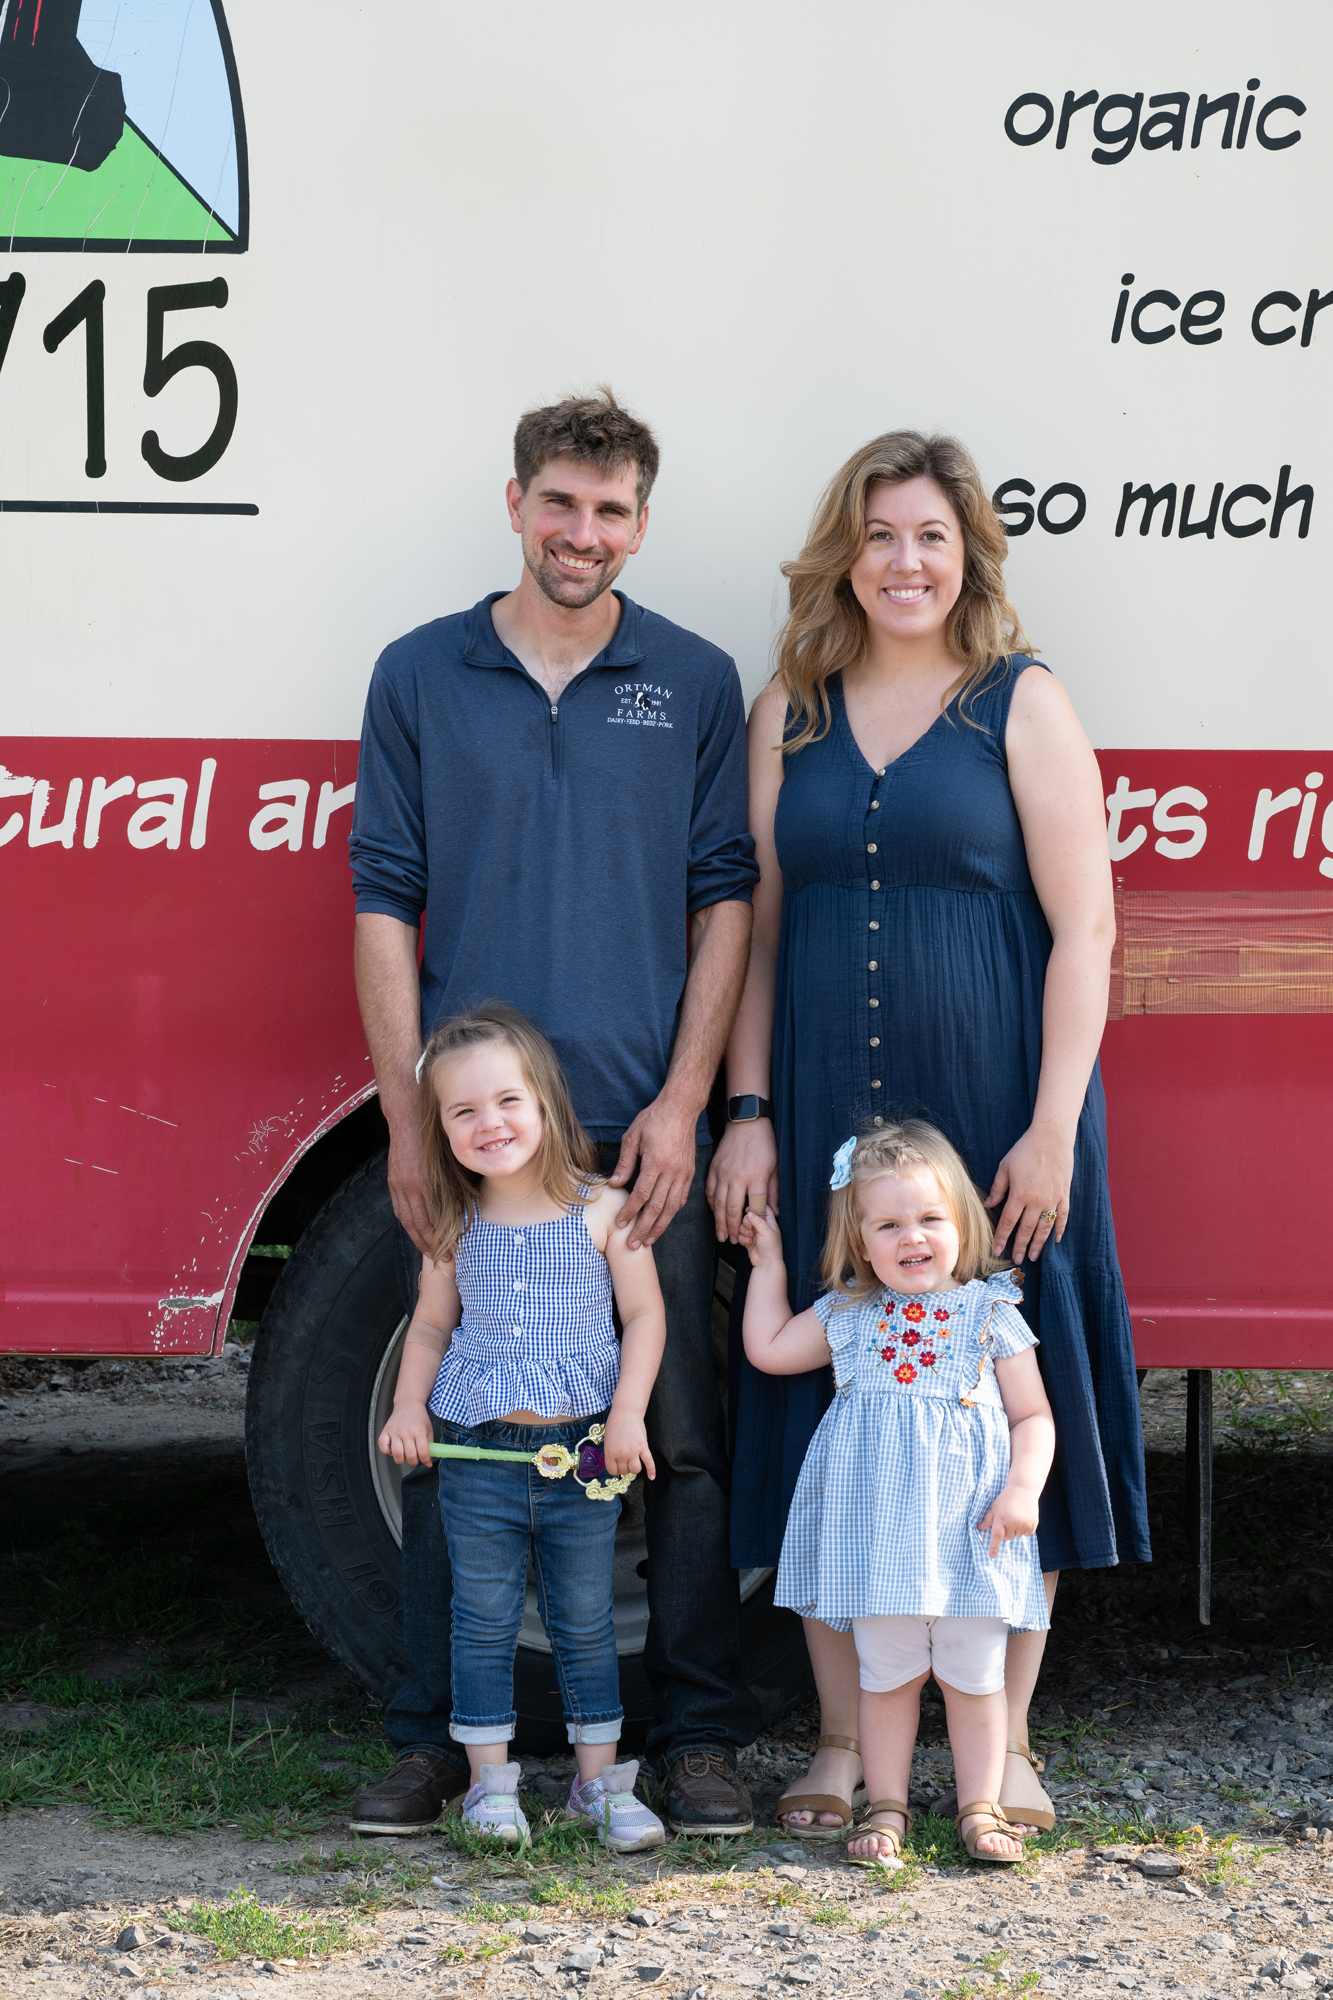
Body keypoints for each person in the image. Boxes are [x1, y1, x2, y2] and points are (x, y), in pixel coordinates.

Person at [709, 429, 1150, 1839]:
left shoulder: (1020, 703)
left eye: (932, 538)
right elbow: (758, 932)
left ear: (970, 558)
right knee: (829, 1420)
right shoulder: (790, 708)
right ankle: (844, 1742)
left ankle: (1002, 1748)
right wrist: (750, 1111)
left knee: (1007, 1415)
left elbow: (1086, 928)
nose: (906, 562)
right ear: (846, 552)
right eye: (881, 535)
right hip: (829, 1102)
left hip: (1000, 1114)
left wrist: (1049, 1129)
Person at [348, 389, 762, 1839]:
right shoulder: (418, 675)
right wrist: (411, 1123)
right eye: (559, 504)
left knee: (679, 1431)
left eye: (610, 511)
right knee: (450, 1426)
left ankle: (698, 1733)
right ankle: (427, 1741)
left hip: (635, 1136)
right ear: (515, 503)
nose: (582, 534)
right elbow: (382, 904)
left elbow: (727, 899)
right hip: (483, 1140)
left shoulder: (695, 679)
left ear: (641, 526)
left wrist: (683, 1101)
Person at [378, 1004, 668, 1853]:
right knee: (483, 1617)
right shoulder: (454, 1226)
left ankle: (596, 1785)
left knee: (583, 1619)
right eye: (463, 1112)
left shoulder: (603, 1211)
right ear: (440, 1128)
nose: (488, 1124)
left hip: (581, 1455)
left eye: (505, 1101)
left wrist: (626, 1415)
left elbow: (644, 1318)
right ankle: (488, 1786)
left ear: (543, 1103)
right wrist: (405, 1406)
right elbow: (430, 1327)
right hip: (479, 1459)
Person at [740, 1122, 1055, 1865]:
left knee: (975, 1680)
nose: (911, 1238)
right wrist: (765, 1265)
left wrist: (1023, 1489)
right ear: (860, 1241)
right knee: (885, 1680)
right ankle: (884, 1807)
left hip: (969, 1534)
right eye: (888, 1225)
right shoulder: (848, 1314)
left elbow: (1032, 1415)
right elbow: (766, 1350)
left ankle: (979, 1806)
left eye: (928, 1219)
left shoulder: (990, 1313)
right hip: (876, 1541)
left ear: (961, 1224)